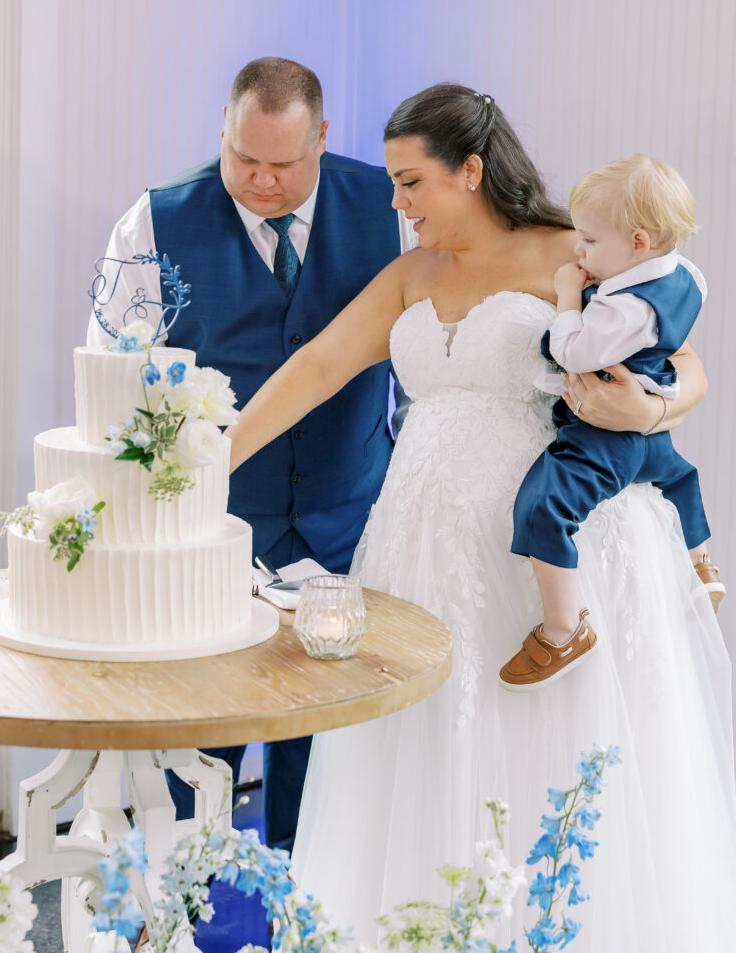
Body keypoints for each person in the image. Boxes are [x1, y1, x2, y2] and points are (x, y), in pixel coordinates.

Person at [226, 84, 736, 950]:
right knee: (420, 748)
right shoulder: (408, 276)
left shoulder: (565, 254)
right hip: (417, 545)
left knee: (545, 748)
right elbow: (316, 368)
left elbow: (682, 360)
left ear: (469, 171)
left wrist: (650, 413)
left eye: (410, 181)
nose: (396, 202)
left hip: (546, 549)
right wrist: (209, 465)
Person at [88, 57, 416, 856]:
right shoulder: (154, 222)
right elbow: (113, 379)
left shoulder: (393, 208)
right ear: (222, 128)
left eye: (284, 164)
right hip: (216, 533)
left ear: (323, 139)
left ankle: (306, 919)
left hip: (349, 521)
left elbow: (421, 369)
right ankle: (169, 919)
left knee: (329, 745)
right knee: (200, 742)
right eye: (245, 160)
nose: (262, 182)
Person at [501, 154, 725, 691]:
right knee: (678, 477)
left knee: (543, 507)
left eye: (590, 242)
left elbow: (573, 351)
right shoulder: (684, 274)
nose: (579, 250)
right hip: (652, 432)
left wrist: (568, 295)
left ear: (638, 243)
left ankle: (563, 628)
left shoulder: (620, 306)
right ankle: (700, 567)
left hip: (604, 433)